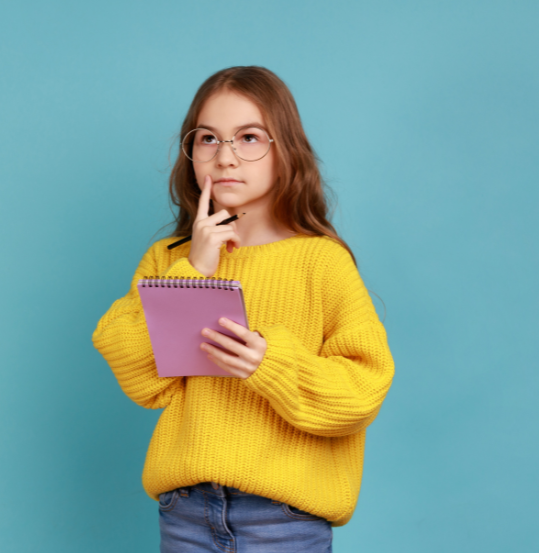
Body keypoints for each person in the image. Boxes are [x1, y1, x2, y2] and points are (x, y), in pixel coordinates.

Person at [92, 66, 395, 552]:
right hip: (185, 511)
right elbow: (139, 374)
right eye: (208, 138)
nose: (225, 157)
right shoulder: (169, 260)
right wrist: (196, 269)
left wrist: (269, 364)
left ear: (285, 149)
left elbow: (363, 390)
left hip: (283, 518)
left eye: (249, 137)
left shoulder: (321, 262)